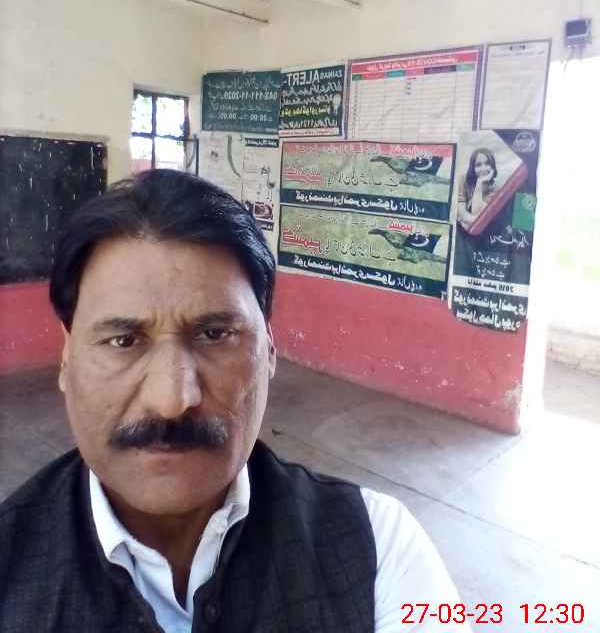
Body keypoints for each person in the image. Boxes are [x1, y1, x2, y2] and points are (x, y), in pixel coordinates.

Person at [0, 169, 469, 632]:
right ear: (66, 357)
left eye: (214, 334)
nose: (172, 400)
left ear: (270, 348)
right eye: (124, 341)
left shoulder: (378, 547)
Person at [457, 147, 498, 230]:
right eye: (478, 165)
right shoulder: (464, 180)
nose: (483, 168)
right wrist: (470, 220)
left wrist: (479, 182)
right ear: (472, 167)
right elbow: (462, 214)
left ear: (492, 166)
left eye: (487, 163)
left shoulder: (495, 188)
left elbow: (476, 212)